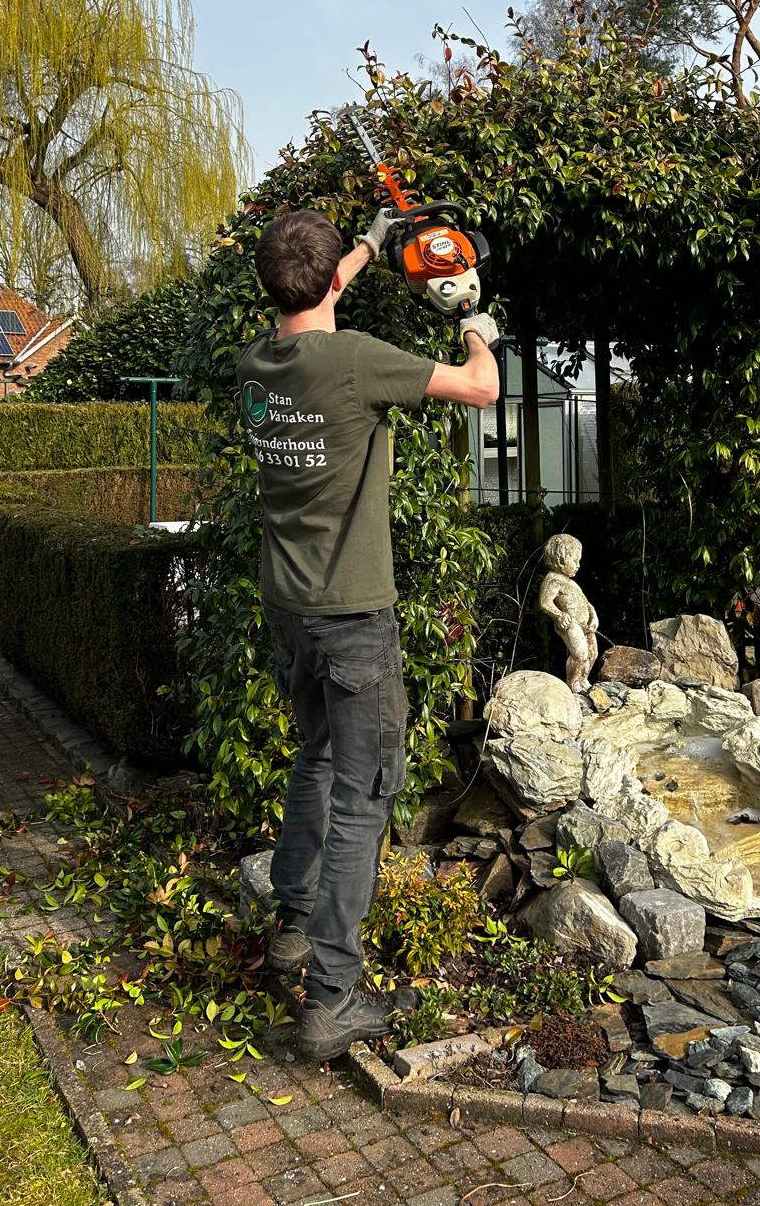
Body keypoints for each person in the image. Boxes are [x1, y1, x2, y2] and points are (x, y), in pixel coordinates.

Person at [236, 204, 500, 1062]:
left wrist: (376, 241)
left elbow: (318, 285)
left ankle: (290, 926)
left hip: (289, 610)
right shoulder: (354, 363)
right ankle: (331, 997)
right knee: (363, 796)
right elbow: (482, 391)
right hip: (352, 615)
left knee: (314, 756)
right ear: (326, 285)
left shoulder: (258, 364)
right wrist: (474, 325)